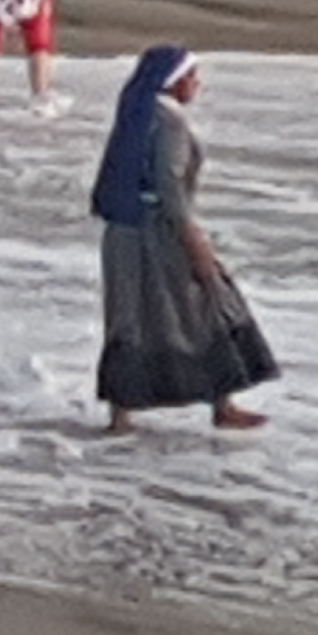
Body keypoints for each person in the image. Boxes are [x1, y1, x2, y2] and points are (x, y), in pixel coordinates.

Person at [92, 48, 275, 434]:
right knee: (211, 304)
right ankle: (223, 404)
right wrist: (193, 240)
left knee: (128, 315)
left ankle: (121, 416)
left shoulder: (136, 115)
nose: (197, 83)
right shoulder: (169, 123)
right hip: (159, 231)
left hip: (123, 233)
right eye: (191, 76)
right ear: (173, 81)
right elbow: (170, 185)